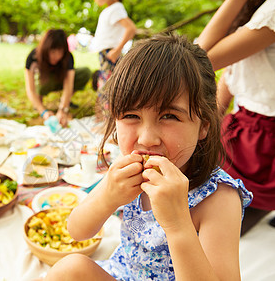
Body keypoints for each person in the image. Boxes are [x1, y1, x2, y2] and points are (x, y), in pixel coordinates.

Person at [44, 34, 253, 280]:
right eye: (131, 115)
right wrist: (107, 197)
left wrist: (177, 225)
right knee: (69, 269)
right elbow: (77, 231)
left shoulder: (218, 198)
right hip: (123, 273)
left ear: (204, 126)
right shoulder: (127, 170)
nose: (147, 138)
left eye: (169, 116)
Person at [196, 0, 275, 234]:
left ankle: (272, 205)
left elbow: (200, 58)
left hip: (271, 138)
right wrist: (213, 118)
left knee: (225, 223)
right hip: (249, 126)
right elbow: (237, 67)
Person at [24, 29, 91, 127]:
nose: (57, 56)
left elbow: (69, 84)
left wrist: (63, 109)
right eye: (53, 51)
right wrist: (44, 112)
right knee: (45, 84)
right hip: (44, 81)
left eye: (60, 51)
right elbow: (30, 90)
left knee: (85, 72)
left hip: (61, 79)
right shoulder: (33, 56)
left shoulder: (68, 57)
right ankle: (38, 104)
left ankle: (66, 101)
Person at [89, 0, 136, 91]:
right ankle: (106, 107)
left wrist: (117, 49)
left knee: (109, 87)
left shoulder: (116, 8)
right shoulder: (110, 9)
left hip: (110, 53)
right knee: (106, 85)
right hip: (106, 53)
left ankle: (108, 108)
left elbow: (131, 28)